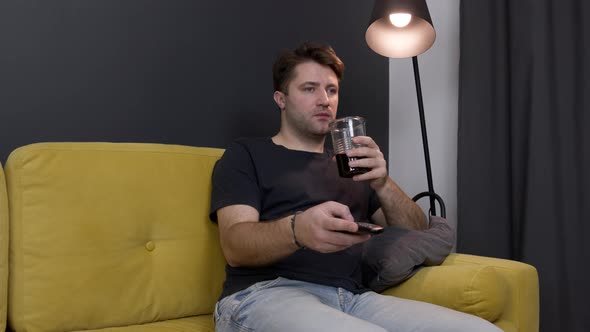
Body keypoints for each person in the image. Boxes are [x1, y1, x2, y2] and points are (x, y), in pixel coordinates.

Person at [209, 41, 500, 332]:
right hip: (264, 294)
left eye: (331, 90)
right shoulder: (247, 154)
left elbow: (414, 231)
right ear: (281, 98)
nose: (325, 100)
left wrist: (383, 183)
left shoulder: (351, 165)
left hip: (352, 298)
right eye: (309, 89)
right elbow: (235, 246)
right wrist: (298, 230)